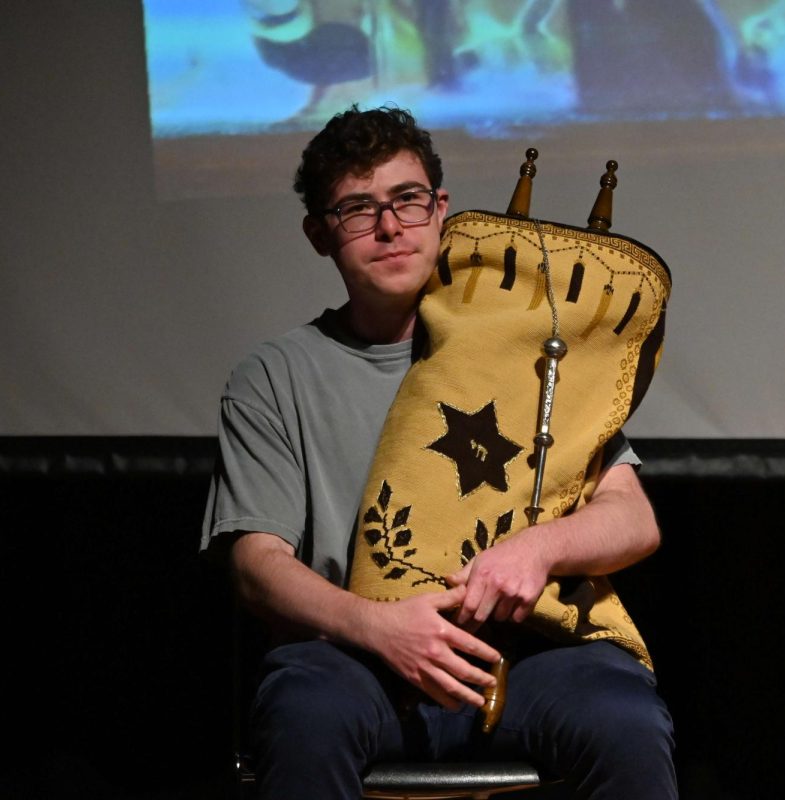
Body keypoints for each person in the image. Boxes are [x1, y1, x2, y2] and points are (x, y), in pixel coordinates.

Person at [202, 106, 678, 799]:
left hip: (521, 661)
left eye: (407, 200)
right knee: (304, 712)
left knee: (625, 718)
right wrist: (379, 627)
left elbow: (633, 521)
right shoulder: (275, 376)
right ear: (318, 234)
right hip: (356, 660)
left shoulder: (523, 350)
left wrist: (537, 549)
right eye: (357, 210)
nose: (390, 226)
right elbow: (256, 565)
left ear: (441, 209)